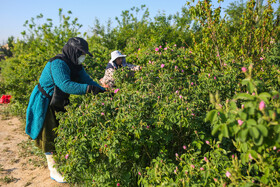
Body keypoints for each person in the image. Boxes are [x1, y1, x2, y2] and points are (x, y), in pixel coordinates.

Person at [25, 37, 105, 183]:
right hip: (45, 101)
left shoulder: (75, 65)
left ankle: (62, 162)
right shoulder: (58, 63)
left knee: (61, 131)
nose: (83, 56)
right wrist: (88, 89)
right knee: (49, 135)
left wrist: (102, 90)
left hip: (58, 101)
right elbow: (65, 85)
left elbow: (87, 80)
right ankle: (54, 170)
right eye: (81, 53)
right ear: (72, 50)